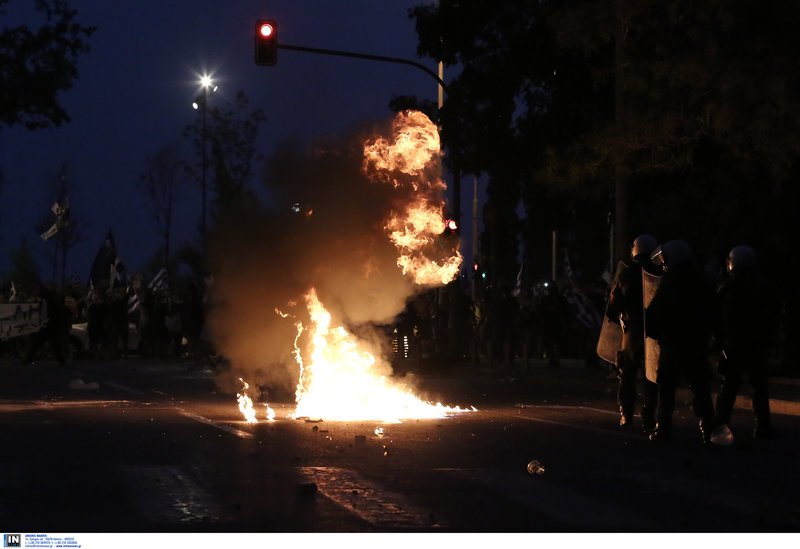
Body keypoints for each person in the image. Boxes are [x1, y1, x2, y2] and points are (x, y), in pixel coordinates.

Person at [645, 240, 716, 444]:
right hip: (696, 343)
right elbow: (714, 311)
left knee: (666, 388)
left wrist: (653, 331)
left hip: (674, 343)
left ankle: (663, 428)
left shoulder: (670, 282)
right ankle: (708, 428)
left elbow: (656, 312)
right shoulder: (702, 280)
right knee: (700, 386)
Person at [714, 245, 780, 439]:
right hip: (756, 345)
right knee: (759, 388)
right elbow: (774, 316)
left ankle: (720, 424)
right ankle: (762, 426)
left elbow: (715, 318)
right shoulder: (765, 288)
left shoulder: (727, 289)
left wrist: (719, 342)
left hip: (734, 346)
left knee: (729, 389)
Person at [606, 234, 660, 431]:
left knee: (627, 374)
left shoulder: (626, 275)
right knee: (651, 377)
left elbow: (612, 307)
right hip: (654, 333)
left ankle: (626, 413)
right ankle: (648, 417)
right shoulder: (659, 272)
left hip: (632, 334)